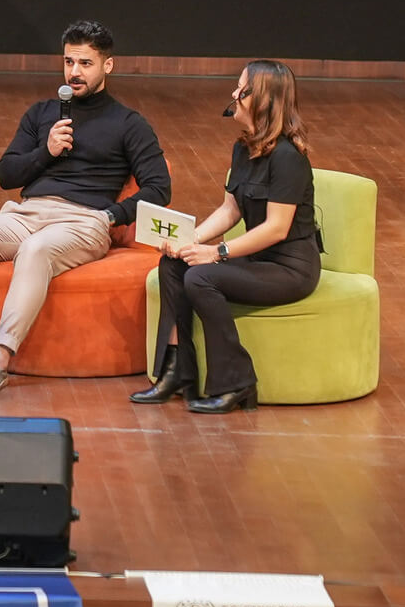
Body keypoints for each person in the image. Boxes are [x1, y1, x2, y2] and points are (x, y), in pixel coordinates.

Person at [0, 20, 170, 395]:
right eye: (68, 62)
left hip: (84, 221)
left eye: (85, 63)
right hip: (28, 212)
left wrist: (112, 216)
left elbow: (159, 188)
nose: (74, 72)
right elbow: (6, 174)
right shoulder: (42, 114)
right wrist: (45, 151)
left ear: (108, 66)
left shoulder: (129, 123)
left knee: (35, 251)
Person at [133, 59, 321, 414]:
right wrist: (189, 241)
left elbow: (277, 228)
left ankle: (238, 381)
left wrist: (216, 252)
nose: (234, 93)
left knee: (201, 277)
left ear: (262, 99)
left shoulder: (288, 158)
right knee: (173, 265)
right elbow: (230, 210)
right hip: (258, 259)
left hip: (290, 268)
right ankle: (176, 372)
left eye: (242, 89)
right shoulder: (244, 148)